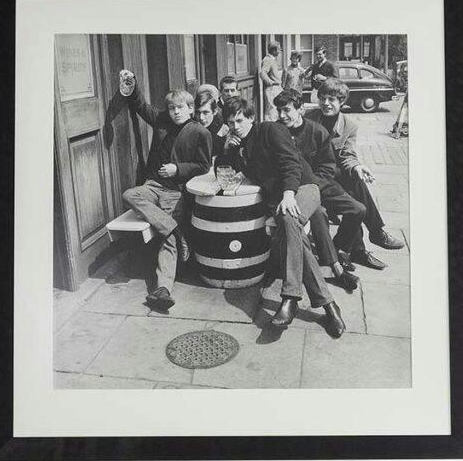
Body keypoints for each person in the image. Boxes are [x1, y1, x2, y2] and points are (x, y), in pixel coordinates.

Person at [216, 93, 344, 338]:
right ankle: (329, 305)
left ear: (251, 118)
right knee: (292, 228)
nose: (235, 127)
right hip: (280, 201)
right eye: (230, 123)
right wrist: (226, 151)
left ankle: (290, 297)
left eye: (240, 121)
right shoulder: (239, 146)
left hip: (304, 187)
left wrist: (288, 194)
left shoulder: (271, 130)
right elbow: (223, 173)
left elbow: (291, 163)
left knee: (288, 218)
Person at [109, 70, 214, 311]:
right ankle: (176, 230)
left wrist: (177, 169)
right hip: (152, 185)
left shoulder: (200, 132)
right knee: (129, 194)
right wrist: (131, 85)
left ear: (190, 109)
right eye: (171, 108)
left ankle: (163, 288)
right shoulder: (162, 121)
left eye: (180, 108)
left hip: (174, 192)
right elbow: (141, 106)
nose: (175, 112)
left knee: (166, 239)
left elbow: (203, 165)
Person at [311, 78, 403, 256]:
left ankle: (359, 246)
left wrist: (357, 167)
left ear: (342, 101)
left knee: (355, 181)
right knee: (356, 190)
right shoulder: (309, 119)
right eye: (322, 98)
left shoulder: (349, 126)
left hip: (335, 175)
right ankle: (374, 234)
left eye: (331, 99)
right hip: (316, 174)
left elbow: (348, 154)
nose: (326, 103)